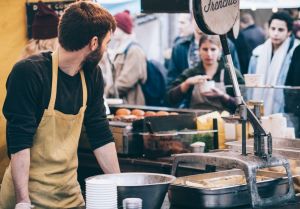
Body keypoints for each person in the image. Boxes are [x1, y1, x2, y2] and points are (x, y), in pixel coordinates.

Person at [0, 2, 120, 209]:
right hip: (29, 197)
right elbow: (19, 143)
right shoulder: (28, 73)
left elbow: (100, 134)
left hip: (69, 195)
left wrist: (121, 185)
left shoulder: (91, 75)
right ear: (93, 43)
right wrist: (22, 201)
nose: (106, 48)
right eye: (106, 43)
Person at [166, 35, 244, 112]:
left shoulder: (231, 73)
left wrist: (223, 96)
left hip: (224, 121)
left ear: (220, 51)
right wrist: (187, 83)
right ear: (199, 50)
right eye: (205, 49)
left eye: (213, 49)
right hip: (195, 121)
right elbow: (170, 99)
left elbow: (243, 105)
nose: (209, 54)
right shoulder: (191, 73)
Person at [248, 12, 299, 115]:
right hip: (258, 108)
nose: (275, 33)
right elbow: (250, 84)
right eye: (273, 28)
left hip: (285, 111)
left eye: (280, 30)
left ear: (289, 32)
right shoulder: (257, 53)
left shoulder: (295, 53)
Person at [167, 19, 240, 86]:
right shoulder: (180, 47)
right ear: (192, 20)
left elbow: (236, 80)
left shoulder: (227, 45)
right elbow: (172, 82)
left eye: (213, 49)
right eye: (199, 17)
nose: (209, 54)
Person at [107, 10, 147, 105]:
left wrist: (107, 92)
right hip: (120, 101)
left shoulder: (134, 50)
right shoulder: (118, 48)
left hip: (131, 103)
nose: (112, 30)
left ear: (123, 28)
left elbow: (127, 81)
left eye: (115, 27)